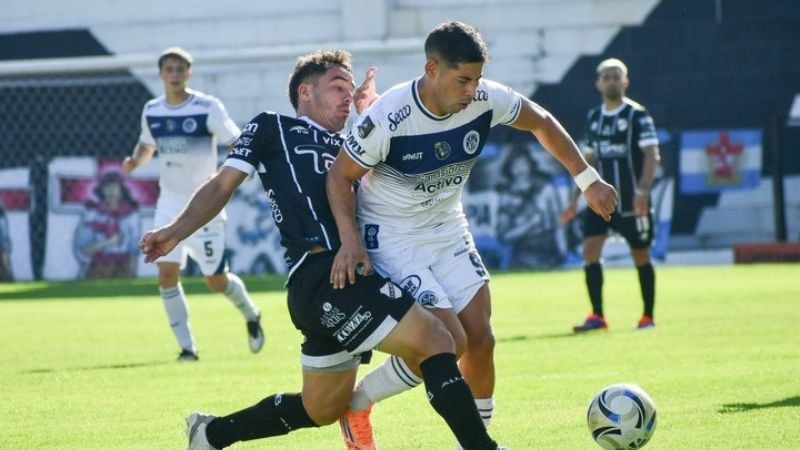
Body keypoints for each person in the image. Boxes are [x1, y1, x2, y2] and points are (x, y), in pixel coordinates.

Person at [139, 49, 508, 450]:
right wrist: (176, 230)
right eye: (337, 87)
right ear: (305, 92)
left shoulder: (357, 142)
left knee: (321, 408)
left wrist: (374, 111)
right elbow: (221, 184)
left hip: (360, 274)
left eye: (351, 90)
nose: (346, 96)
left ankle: (211, 435)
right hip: (322, 276)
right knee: (439, 341)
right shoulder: (272, 127)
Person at [326, 20, 618, 450]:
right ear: (432, 69)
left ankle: (475, 441)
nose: (472, 90)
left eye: (477, 79)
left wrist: (587, 179)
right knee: (450, 342)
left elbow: (540, 120)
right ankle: (359, 403)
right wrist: (351, 243)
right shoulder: (391, 115)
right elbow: (338, 176)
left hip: (447, 229)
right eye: (463, 80)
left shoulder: (484, 98)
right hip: (392, 237)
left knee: (481, 340)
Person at [123, 47, 263, 361]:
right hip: (169, 203)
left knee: (215, 280)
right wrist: (135, 162)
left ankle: (252, 314)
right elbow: (147, 145)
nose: (174, 74)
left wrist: (228, 173)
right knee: (166, 274)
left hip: (204, 206)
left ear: (189, 73)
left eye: (180, 69)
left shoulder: (207, 107)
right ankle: (188, 348)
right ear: (161, 74)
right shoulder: (152, 110)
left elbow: (237, 143)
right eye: (169, 69)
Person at [560, 57, 661, 332]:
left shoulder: (637, 115)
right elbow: (586, 162)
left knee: (640, 253)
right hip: (600, 201)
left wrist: (642, 190)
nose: (612, 81)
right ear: (598, 83)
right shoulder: (594, 118)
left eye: (617, 76)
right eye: (607, 77)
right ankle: (598, 316)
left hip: (631, 199)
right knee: (590, 250)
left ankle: (647, 317)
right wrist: (573, 201)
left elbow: (652, 155)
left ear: (625, 82)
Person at [496, 147, 565, 269]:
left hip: (549, 255)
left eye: (523, 163)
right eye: (516, 165)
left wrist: (562, 249)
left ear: (530, 165)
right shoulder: (507, 197)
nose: (520, 169)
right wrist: (530, 224)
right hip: (523, 257)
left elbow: (558, 223)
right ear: (510, 169)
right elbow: (505, 236)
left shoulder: (546, 189)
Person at [73, 171, 141, 278]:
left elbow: (134, 248)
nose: (111, 191)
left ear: (121, 190)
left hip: (123, 265)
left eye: (115, 187)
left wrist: (132, 272)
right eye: (107, 187)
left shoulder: (131, 215)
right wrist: (107, 243)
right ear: (101, 190)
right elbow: (84, 249)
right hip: (98, 264)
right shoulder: (93, 214)